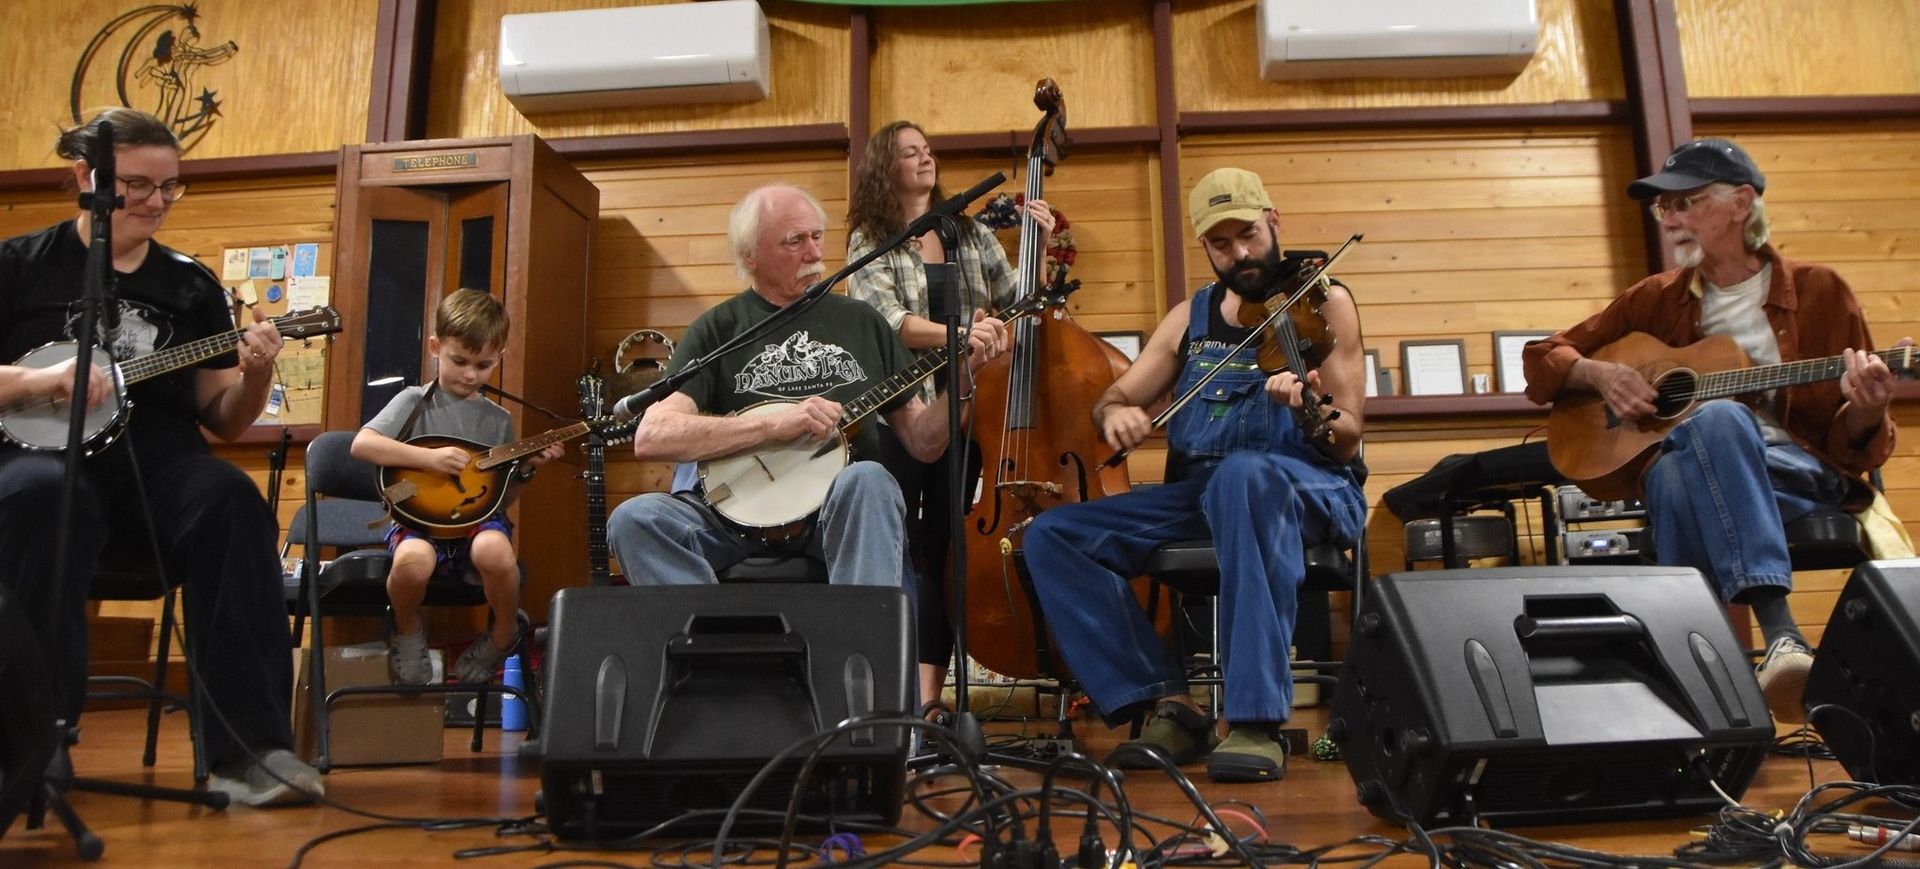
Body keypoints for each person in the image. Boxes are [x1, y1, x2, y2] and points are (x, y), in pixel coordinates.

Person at [1523, 137, 1909, 724]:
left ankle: (1698, 665)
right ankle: (1774, 644)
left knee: (1710, 429)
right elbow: (1542, 356)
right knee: (1681, 465)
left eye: (1686, 202)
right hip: (1707, 478)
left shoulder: (1820, 291)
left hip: (1797, 476)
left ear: (1741, 203)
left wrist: (1868, 408)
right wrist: (1601, 374)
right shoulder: (1655, 300)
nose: (1669, 218)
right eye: (1664, 206)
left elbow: (1852, 450)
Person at [0, 107, 321, 806]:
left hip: (158, 469)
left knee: (229, 499)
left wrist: (258, 373)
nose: (156, 201)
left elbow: (223, 417)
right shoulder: (18, 266)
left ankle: (251, 751)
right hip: (40, 461)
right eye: (138, 185)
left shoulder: (189, 285)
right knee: (39, 497)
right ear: (86, 177)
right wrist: (40, 381)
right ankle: (27, 749)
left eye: (170, 186)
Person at [1021, 168, 1368, 783]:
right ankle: (1171, 701)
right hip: (1206, 493)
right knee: (1053, 537)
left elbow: (1347, 438)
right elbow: (1115, 396)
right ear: (1205, 246)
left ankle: (1255, 720)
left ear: (1274, 222)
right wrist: (1117, 413)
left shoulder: (1325, 301)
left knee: (1244, 477)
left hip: (1309, 483)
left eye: (1249, 235)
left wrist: (1306, 411)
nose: (1240, 253)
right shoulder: (1191, 317)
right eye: (1221, 243)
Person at [605, 183, 1005, 592]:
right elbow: (653, 435)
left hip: (837, 513)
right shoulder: (718, 330)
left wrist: (963, 377)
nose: (814, 253)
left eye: (817, 236)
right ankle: (712, 627)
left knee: (870, 479)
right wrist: (773, 426)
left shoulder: (862, 322)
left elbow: (924, 442)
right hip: (733, 516)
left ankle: (862, 634)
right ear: (750, 255)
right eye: (795, 241)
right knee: (633, 520)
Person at [845, 120, 1054, 718]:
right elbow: (887, 322)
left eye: (928, 150)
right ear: (884, 167)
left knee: (944, 549)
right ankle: (881, 690)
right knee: (898, 549)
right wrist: (963, 335)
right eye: (910, 152)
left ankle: (929, 701)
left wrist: (1037, 249)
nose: (925, 158)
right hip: (899, 414)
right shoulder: (871, 239)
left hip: (969, 411)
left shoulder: (970, 232)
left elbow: (1022, 305)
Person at [352, 289, 564, 686]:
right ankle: (408, 629)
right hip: (418, 518)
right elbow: (362, 445)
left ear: (499, 358)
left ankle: (503, 632)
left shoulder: (499, 420)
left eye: (483, 365)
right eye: (459, 361)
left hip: (475, 521)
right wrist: (428, 459)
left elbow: (499, 499)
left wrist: (526, 470)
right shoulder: (414, 400)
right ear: (436, 348)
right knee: (412, 563)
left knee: (495, 550)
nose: (470, 375)